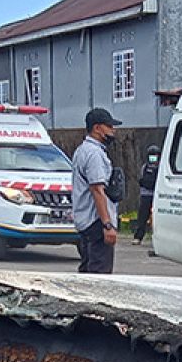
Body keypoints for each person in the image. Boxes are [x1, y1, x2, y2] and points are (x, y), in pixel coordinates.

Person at [72, 107, 121, 273]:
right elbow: (97, 190)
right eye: (109, 126)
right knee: (99, 276)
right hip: (96, 221)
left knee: (86, 271)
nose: (113, 130)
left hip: (85, 220)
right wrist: (107, 225)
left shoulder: (82, 150)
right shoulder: (94, 154)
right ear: (97, 128)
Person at [133, 144, 160, 244]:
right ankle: (138, 237)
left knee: (157, 218)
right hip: (145, 195)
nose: (153, 160)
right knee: (142, 217)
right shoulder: (144, 167)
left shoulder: (161, 167)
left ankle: (157, 238)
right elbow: (141, 179)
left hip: (156, 195)